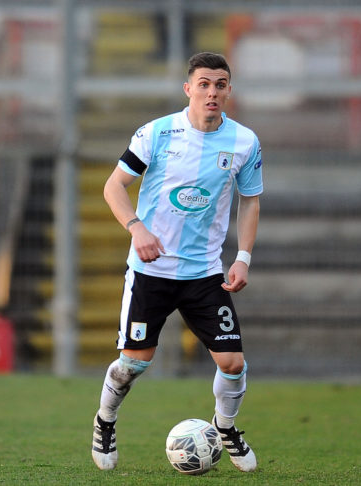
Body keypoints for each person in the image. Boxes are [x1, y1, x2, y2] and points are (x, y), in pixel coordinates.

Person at [91, 52, 262, 473]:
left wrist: (242, 257)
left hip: (204, 273)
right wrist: (137, 228)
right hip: (151, 271)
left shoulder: (244, 142)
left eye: (219, 84)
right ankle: (105, 421)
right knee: (133, 364)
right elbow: (114, 186)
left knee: (233, 363)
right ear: (188, 89)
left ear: (229, 91)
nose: (211, 92)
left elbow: (250, 200)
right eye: (203, 84)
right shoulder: (156, 132)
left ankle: (225, 427)